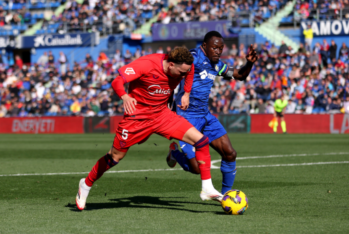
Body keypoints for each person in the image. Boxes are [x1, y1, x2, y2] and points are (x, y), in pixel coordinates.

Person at [75, 47, 223, 211]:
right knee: (115, 157)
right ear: (171, 64)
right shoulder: (146, 64)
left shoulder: (185, 67)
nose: (183, 75)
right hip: (137, 119)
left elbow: (189, 71)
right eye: (181, 72)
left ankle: (207, 188)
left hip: (162, 115)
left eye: (185, 72)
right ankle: (86, 184)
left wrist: (186, 93)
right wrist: (124, 96)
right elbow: (117, 81)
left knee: (201, 140)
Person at [165, 31, 258, 195]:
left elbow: (240, 75)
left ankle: (226, 196)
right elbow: (170, 69)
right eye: (215, 48)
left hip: (205, 115)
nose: (218, 51)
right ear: (205, 46)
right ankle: (174, 153)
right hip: (185, 117)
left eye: (221, 48)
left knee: (230, 154)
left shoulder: (217, 65)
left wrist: (249, 63)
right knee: (195, 168)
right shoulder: (192, 57)